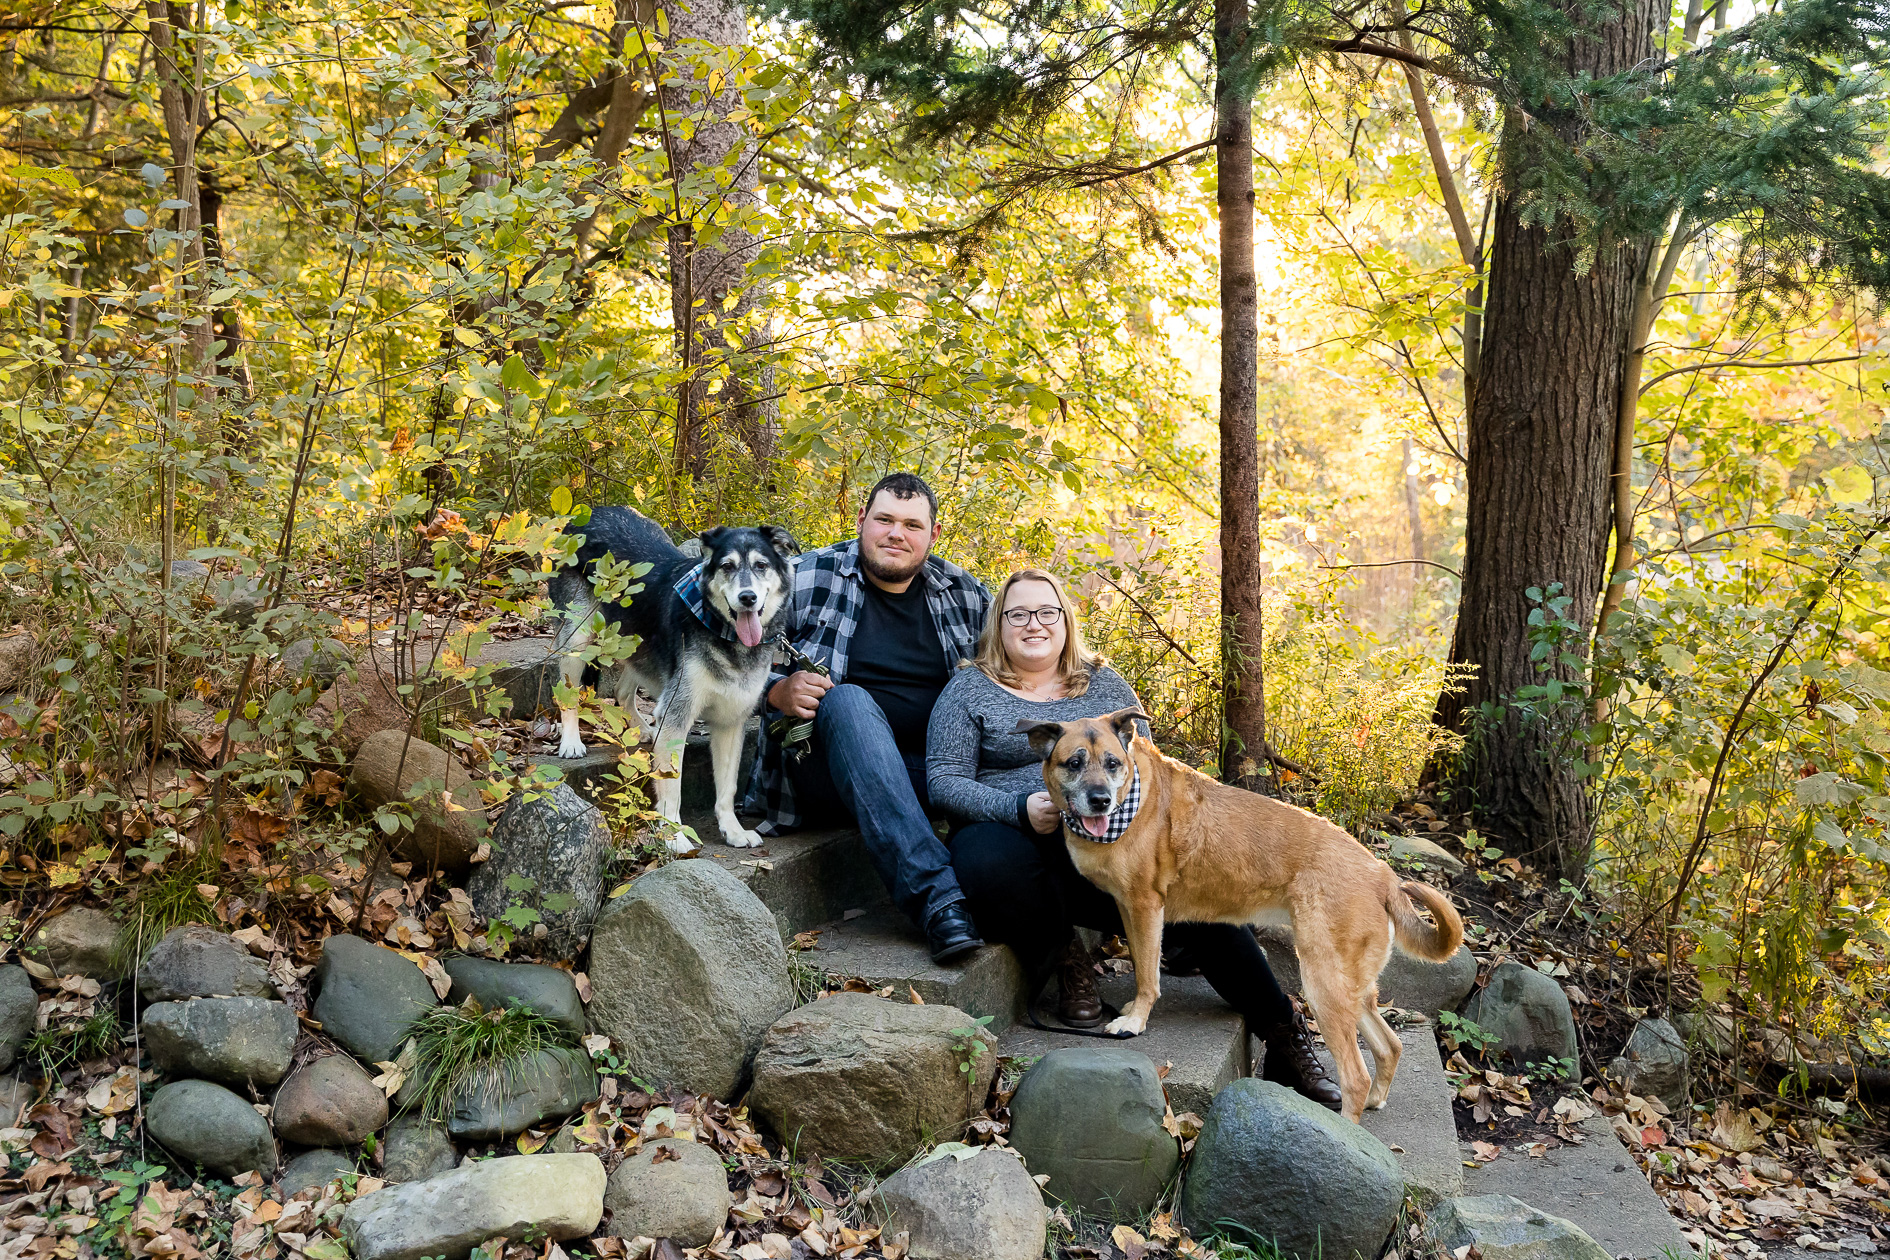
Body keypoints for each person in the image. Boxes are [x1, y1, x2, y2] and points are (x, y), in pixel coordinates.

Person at [925, 567, 1343, 1110]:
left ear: (1066, 622)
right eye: (1018, 613)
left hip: (1112, 842)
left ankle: (1285, 1034)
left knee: (1202, 908)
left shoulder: (1103, 684)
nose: (1034, 624)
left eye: (1047, 612)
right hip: (1015, 838)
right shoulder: (968, 689)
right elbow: (942, 780)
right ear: (997, 623)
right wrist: (1018, 808)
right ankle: (1069, 963)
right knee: (984, 861)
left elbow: (1147, 770)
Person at [748, 472, 992, 964]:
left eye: (911, 525)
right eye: (883, 520)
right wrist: (775, 691)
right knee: (849, 701)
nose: (895, 534)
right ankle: (938, 901)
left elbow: (1026, 673)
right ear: (862, 521)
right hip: (821, 771)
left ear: (933, 534)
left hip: (932, 775)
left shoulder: (966, 596)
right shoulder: (802, 577)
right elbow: (719, 659)